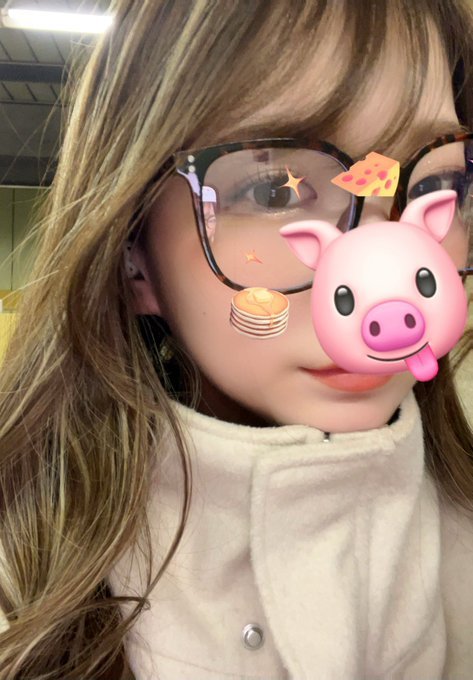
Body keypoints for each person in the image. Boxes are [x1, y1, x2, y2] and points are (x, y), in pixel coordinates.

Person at [0, 1, 472, 678]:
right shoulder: (23, 582)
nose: (385, 289)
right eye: (275, 191)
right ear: (133, 253)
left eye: (434, 185)